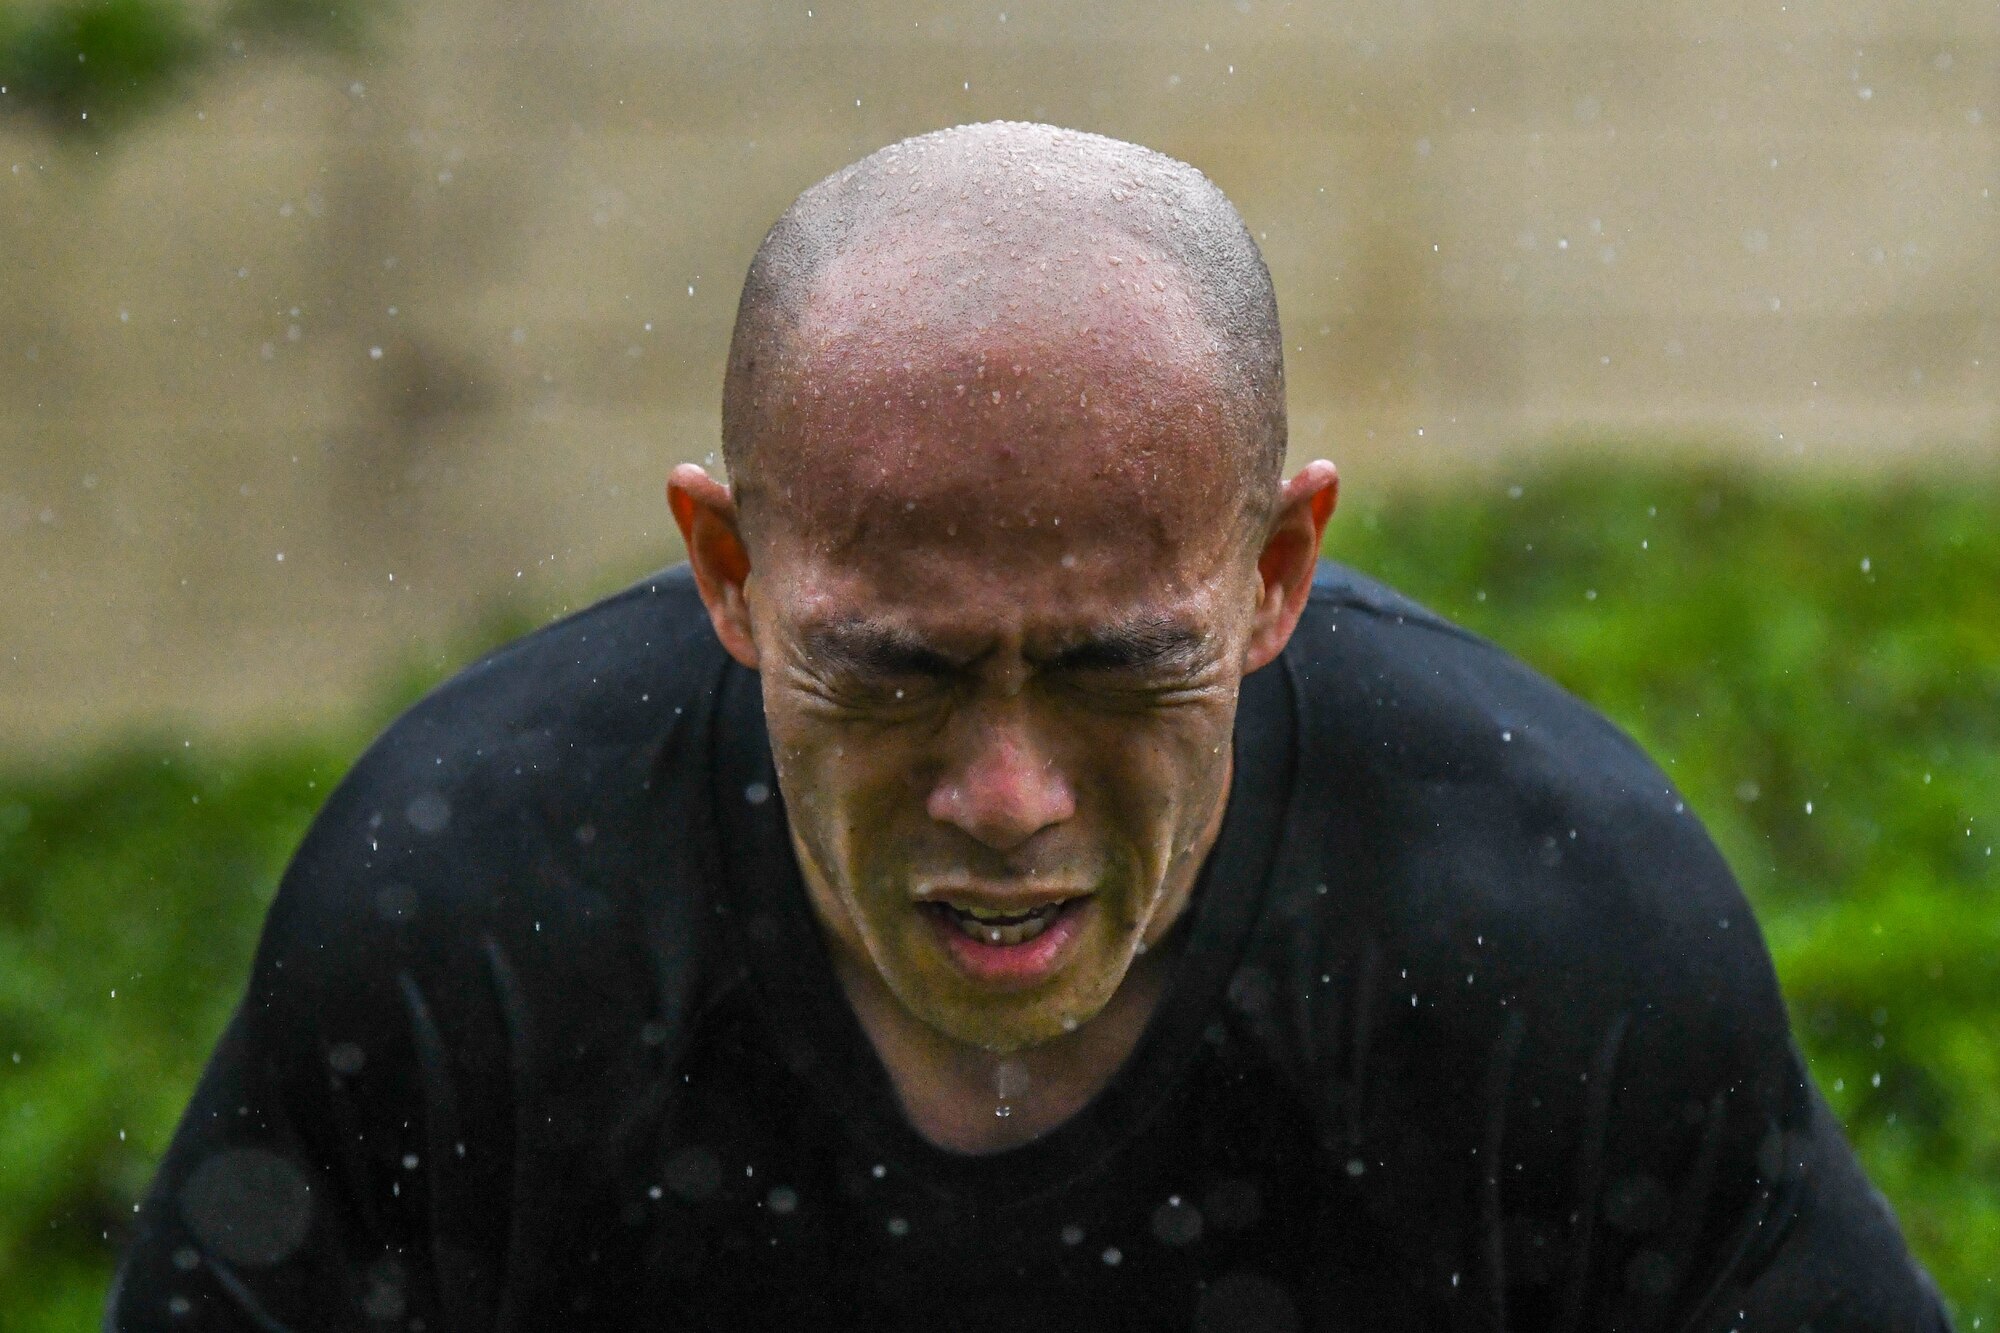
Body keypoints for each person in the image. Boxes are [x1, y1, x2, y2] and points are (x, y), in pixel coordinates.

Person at [109, 123, 1949, 1332]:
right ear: (727, 568)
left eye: (1116, 672)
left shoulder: (1555, 921)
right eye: (899, 672)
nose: (1004, 798)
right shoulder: (471, 910)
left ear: (1279, 570)